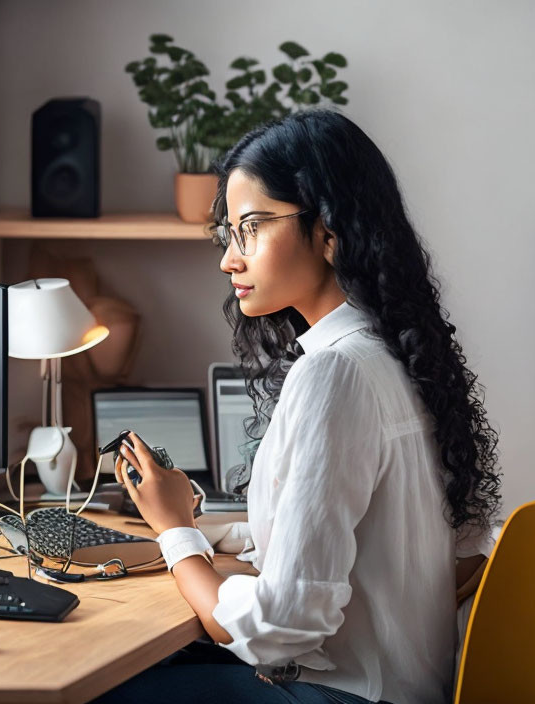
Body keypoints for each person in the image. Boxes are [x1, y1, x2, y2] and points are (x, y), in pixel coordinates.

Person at [95, 110, 501, 704]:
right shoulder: (394, 355)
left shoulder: (334, 372)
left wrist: (176, 531)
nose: (229, 259)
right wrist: (206, 532)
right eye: (230, 233)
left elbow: (282, 630)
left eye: (252, 227)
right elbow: (383, 541)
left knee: (93, 682)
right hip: (404, 687)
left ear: (329, 230)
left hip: (346, 696)